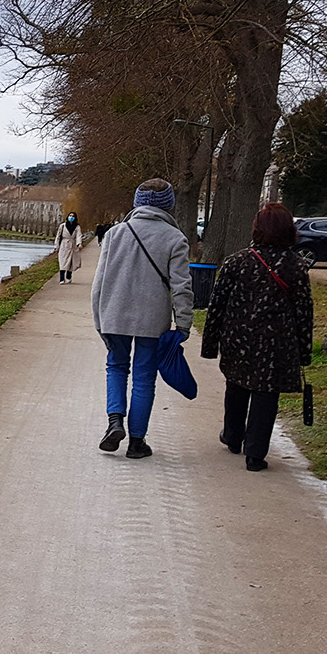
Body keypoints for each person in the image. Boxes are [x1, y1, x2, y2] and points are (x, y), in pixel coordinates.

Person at [199, 203, 313, 472]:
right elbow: (304, 311)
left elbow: (217, 305)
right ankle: (256, 453)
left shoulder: (237, 261)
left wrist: (210, 344)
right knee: (267, 394)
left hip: (239, 337)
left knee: (236, 385)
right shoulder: (296, 266)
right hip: (277, 342)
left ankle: (233, 435)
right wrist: (304, 351)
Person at [90, 178, 194, 458]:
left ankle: (114, 421)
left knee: (116, 367)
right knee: (145, 378)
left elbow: (98, 283)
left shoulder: (115, 234)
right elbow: (182, 286)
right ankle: (137, 441)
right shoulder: (175, 239)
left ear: (137, 203)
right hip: (152, 319)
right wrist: (183, 323)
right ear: (169, 205)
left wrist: (100, 320)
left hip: (114, 314)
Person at [56, 212, 83, 283]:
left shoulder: (77, 227)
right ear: (67, 217)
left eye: (73, 216)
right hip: (64, 245)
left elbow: (78, 235)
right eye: (70, 216)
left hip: (72, 245)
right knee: (62, 262)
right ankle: (62, 278)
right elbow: (58, 236)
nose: (71, 217)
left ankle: (68, 275)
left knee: (71, 262)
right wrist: (57, 246)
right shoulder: (62, 226)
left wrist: (79, 243)